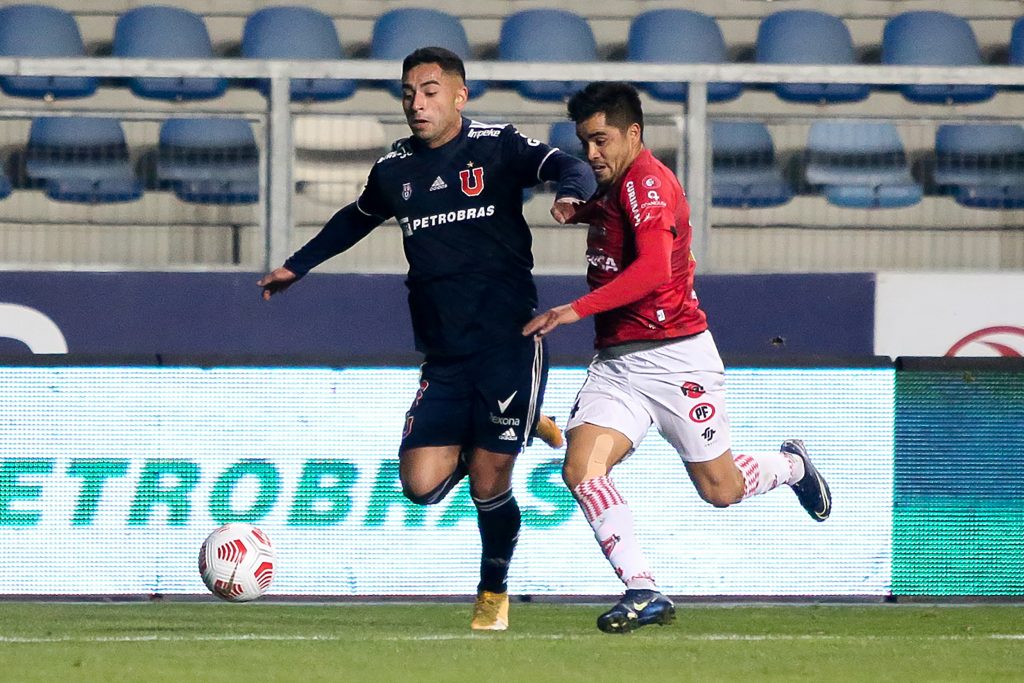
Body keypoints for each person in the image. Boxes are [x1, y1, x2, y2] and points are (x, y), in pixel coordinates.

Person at [258, 47, 594, 631]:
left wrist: (569, 194)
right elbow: (354, 217)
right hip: (443, 356)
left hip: (508, 342)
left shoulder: (497, 145)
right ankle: (512, 425)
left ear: (459, 96)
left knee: (490, 481)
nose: (418, 102)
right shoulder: (395, 169)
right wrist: (298, 265)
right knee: (419, 486)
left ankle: (493, 589)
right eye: (409, 92)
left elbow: (573, 165)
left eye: (431, 91)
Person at [522, 82, 832, 634]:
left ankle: (792, 465)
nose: (591, 154)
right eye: (584, 143)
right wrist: (586, 208)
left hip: (676, 362)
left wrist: (574, 309)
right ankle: (642, 589)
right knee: (580, 468)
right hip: (618, 365)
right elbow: (618, 223)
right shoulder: (617, 186)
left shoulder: (649, 185)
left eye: (601, 141)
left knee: (721, 490)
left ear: (633, 134)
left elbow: (653, 272)